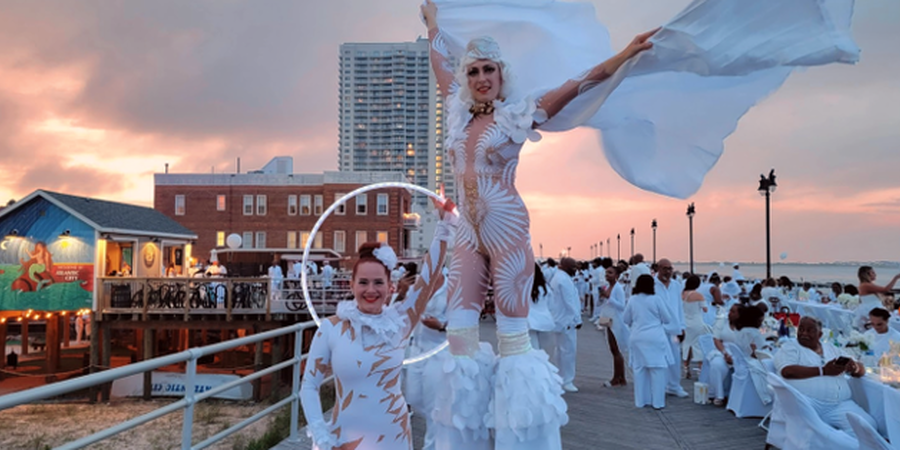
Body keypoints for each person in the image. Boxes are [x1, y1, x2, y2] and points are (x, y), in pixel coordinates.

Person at [422, 1, 658, 446]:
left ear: (501, 74)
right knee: (459, 338)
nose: (481, 79)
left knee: (514, 340)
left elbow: (578, 85)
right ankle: (463, 440)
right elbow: (439, 61)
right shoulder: (456, 111)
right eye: (473, 71)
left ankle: (520, 440)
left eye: (488, 70)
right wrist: (433, 23)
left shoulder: (518, 115)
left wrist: (624, 54)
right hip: (466, 234)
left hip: (507, 229)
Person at [300, 203, 455, 450]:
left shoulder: (401, 320)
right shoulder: (331, 328)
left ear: (390, 287)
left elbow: (429, 275)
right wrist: (321, 435)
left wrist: (444, 225)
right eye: (363, 282)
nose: (370, 290)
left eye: (378, 283)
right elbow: (309, 386)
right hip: (345, 440)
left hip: (394, 436)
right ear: (351, 285)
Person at [774, 317, 877, 438]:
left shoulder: (832, 349)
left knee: (867, 426)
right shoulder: (790, 347)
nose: (803, 333)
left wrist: (854, 368)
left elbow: (861, 371)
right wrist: (823, 370)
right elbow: (787, 371)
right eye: (801, 329)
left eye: (810, 330)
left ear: (820, 334)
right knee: (822, 435)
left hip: (839, 404)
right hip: (808, 403)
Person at [623, 274, 673, 409]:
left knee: (639, 370)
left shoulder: (633, 299)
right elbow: (667, 319)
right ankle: (658, 402)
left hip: (637, 337)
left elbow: (626, 319)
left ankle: (641, 401)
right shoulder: (656, 299)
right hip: (655, 337)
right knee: (657, 370)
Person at [654, 258, 689, 398]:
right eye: (665, 269)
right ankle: (659, 386)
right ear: (658, 269)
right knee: (658, 359)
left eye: (670, 269)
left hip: (674, 328)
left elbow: (680, 307)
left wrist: (682, 326)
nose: (668, 272)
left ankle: (674, 386)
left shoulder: (676, 285)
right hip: (658, 328)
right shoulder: (652, 284)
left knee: (674, 357)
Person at [547, 257, 583, 393]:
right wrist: (578, 319)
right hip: (567, 321)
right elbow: (570, 302)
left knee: (561, 350)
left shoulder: (560, 277)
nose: (575, 269)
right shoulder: (563, 279)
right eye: (573, 267)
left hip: (560, 320)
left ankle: (560, 378)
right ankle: (567, 380)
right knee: (568, 352)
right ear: (566, 267)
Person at [598, 265, 627, 387]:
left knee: (616, 349)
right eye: (606, 273)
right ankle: (621, 378)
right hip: (607, 318)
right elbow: (602, 303)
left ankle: (617, 378)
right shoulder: (608, 287)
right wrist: (602, 296)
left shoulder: (618, 288)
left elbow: (622, 306)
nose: (607, 275)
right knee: (612, 348)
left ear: (616, 275)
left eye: (610, 273)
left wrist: (608, 297)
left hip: (616, 320)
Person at [708, 304, 741, 406]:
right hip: (722, 350)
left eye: (733, 312)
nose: (730, 313)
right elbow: (716, 339)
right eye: (730, 311)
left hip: (739, 352)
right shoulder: (722, 321)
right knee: (717, 365)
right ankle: (719, 395)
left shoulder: (745, 325)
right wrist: (725, 353)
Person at [681, 275, 710, 379]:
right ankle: (699, 371)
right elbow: (705, 309)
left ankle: (686, 369)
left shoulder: (682, 294)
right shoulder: (698, 295)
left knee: (686, 344)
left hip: (685, 322)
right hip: (697, 322)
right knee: (698, 345)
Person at [856, 266, 900, 330]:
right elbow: (886, 289)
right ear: (867, 274)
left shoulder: (864, 285)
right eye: (873, 273)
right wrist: (896, 278)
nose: (875, 274)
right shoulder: (866, 285)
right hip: (872, 309)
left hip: (871, 308)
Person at [527, 263, 555, 351]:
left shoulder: (524, 288)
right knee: (545, 353)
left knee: (533, 351)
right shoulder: (546, 288)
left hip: (530, 322)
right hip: (545, 322)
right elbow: (551, 305)